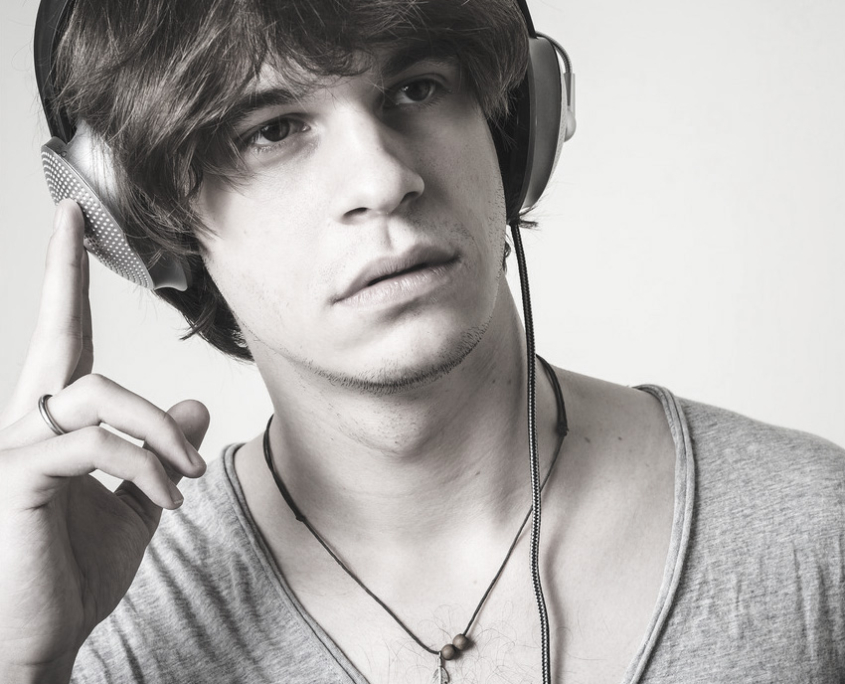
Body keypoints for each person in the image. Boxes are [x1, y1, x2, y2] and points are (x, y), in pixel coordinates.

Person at [1, 0, 843, 683]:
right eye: (273, 131)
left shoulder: (814, 528)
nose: (383, 180)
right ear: (142, 225)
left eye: (416, 89)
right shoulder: (97, 622)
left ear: (516, 127)